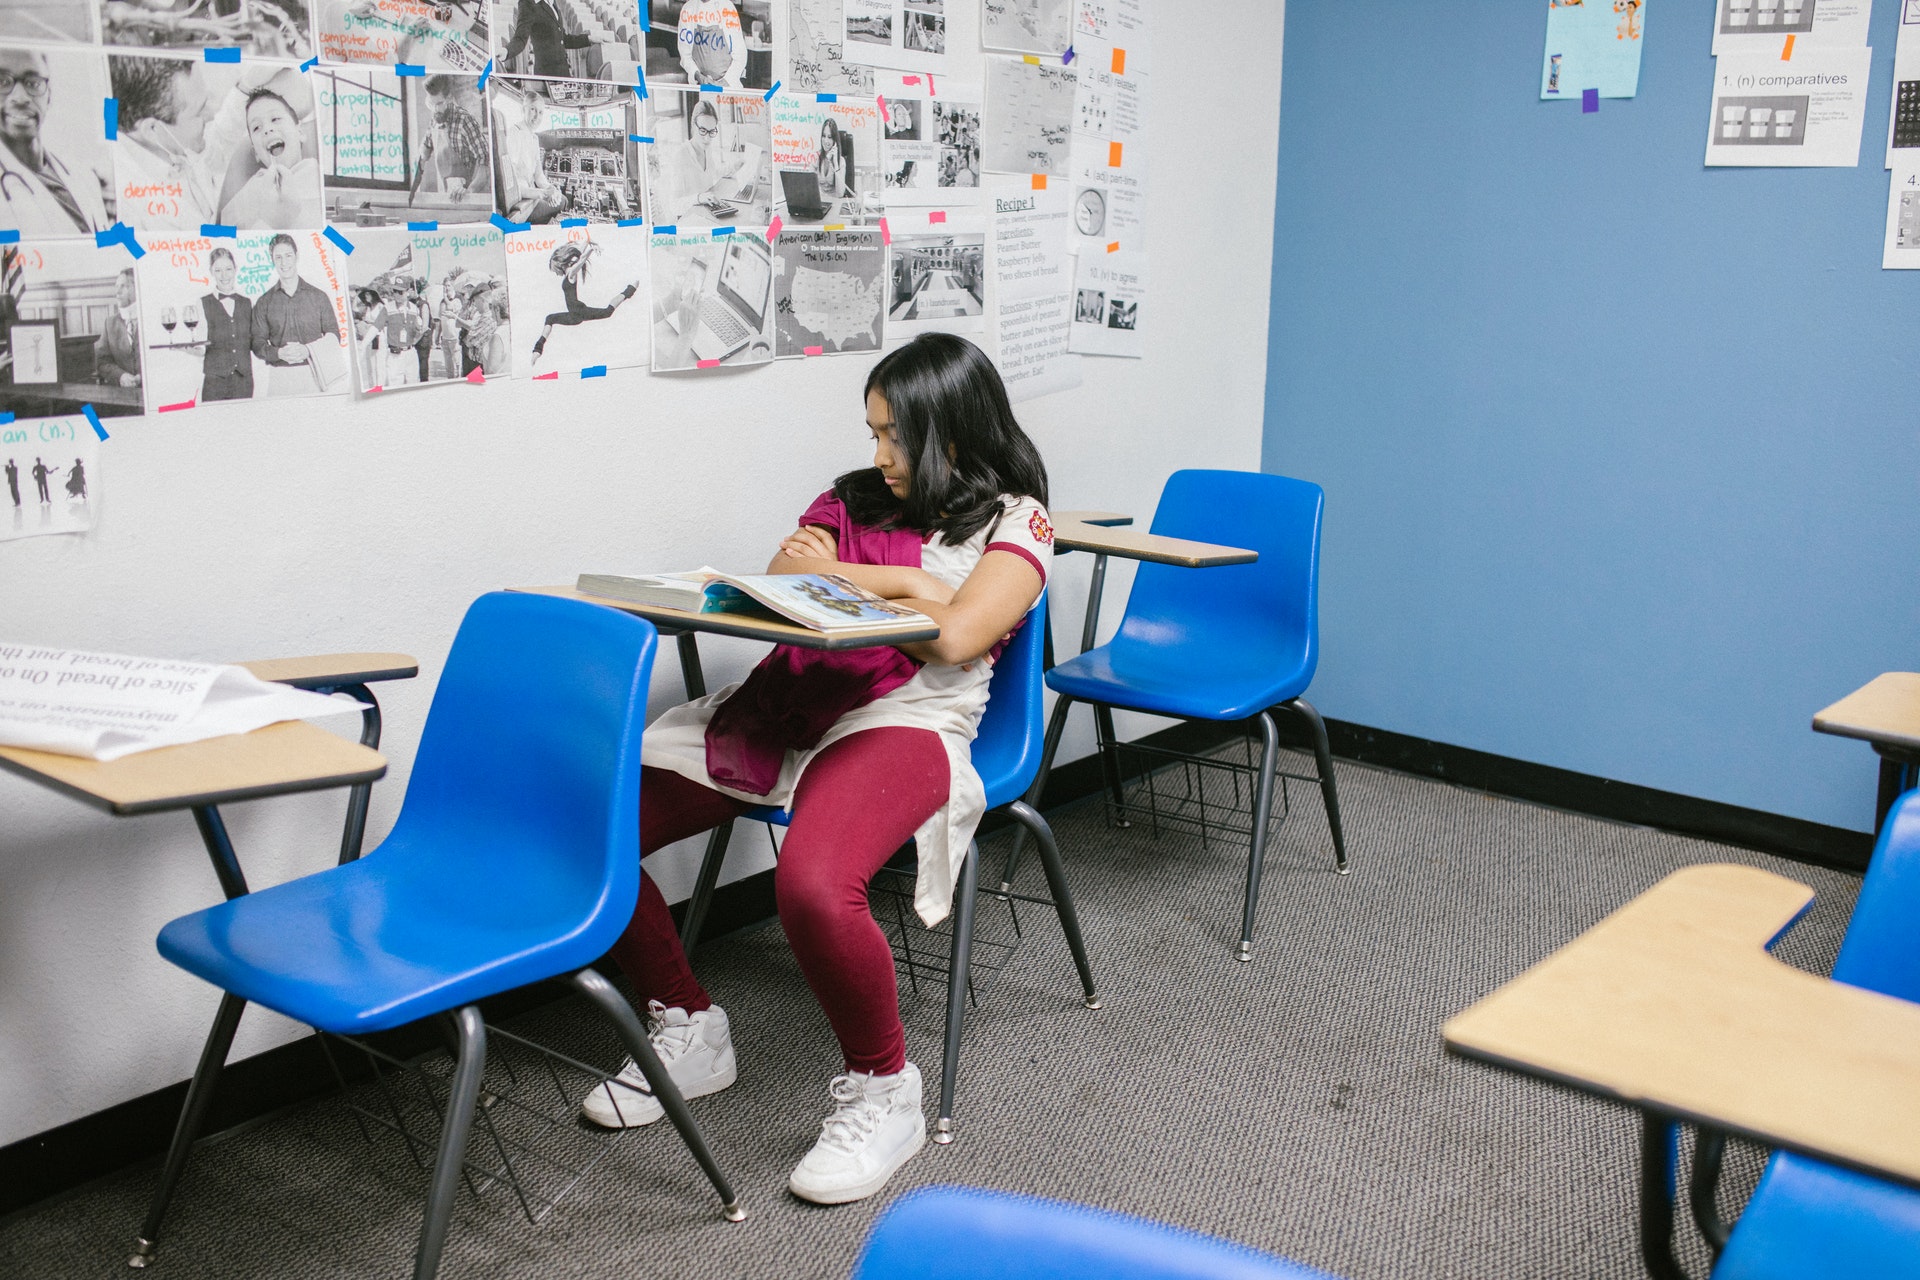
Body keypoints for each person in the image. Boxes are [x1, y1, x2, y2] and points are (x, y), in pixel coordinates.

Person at [576, 334, 1054, 1207]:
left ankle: (885, 1089)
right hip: (795, 697)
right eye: (872, 433)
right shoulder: (851, 497)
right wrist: (914, 586)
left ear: (950, 429)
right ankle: (689, 1025)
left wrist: (864, 578)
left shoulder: (1016, 520)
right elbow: (786, 589)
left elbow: (957, 637)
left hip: (910, 718)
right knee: (586, 828)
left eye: (895, 437)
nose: (878, 456)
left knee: (811, 881)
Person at [0, 49, 112, 236]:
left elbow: (106, 244)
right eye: (2, 82)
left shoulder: (84, 176)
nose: (20, 98)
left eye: (33, 83)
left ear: (49, 96)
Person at [109, 54, 219, 230]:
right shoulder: (129, 211)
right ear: (152, 130)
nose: (212, 113)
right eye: (198, 112)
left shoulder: (170, 143)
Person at [218, 88, 322, 228]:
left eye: (275, 119)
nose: (267, 129)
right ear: (256, 153)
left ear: (300, 132)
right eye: (257, 128)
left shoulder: (317, 174)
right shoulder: (253, 188)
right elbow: (226, 226)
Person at [250, 233, 341, 395]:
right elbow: (257, 343)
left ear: (296, 257)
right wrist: (278, 353)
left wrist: (308, 350)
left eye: (288, 256)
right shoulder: (264, 302)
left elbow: (334, 335)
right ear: (272, 260)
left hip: (314, 374)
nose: (284, 263)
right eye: (278, 257)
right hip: (280, 377)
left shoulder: (319, 296)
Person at [529, 238, 638, 366]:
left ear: (560, 265)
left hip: (579, 312)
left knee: (608, 312)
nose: (556, 274)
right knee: (550, 318)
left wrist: (591, 249)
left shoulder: (570, 274)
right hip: (574, 315)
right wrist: (589, 241)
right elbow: (579, 252)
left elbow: (580, 260)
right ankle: (538, 349)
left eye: (555, 271)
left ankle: (629, 290)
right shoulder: (568, 272)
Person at [492, 84, 565, 223]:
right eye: (533, 109)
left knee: (560, 198)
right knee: (564, 203)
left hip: (531, 198)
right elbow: (509, 182)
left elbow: (538, 175)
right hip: (520, 204)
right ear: (523, 109)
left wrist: (551, 189)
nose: (537, 116)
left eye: (541, 112)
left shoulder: (534, 138)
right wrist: (542, 194)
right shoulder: (515, 133)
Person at [416, 76, 488, 206]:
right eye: (432, 104)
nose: (435, 109)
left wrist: (469, 191)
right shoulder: (435, 119)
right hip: (445, 196)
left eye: (439, 104)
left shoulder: (465, 121)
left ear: (449, 99)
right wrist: (420, 160)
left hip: (468, 198)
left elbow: (485, 163)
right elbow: (425, 148)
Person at [197, 246, 254, 402]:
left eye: (228, 269)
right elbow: (201, 346)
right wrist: (190, 349)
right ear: (211, 272)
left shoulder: (247, 303)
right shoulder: (203, 303)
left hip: (244, 381)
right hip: (214, 383)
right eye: (218, 270)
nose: (224, 275)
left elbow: (254, 340)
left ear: (236, 269)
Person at [500, 0, 592, 78]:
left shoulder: (553, 3)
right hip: (546, 74)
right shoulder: (528, 3)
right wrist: (506, 51)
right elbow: (520, 38)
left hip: (563, 71)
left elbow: (564, 39)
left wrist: (589, 39)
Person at [95, 268, 142, 389]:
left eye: (123, 286)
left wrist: (143, 377)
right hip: (121, 395)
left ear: (137, 288)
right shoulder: (109, 323)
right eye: (116, 287)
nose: (117, 292)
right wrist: (121, 376)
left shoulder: (152, 320)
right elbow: (102, 363)